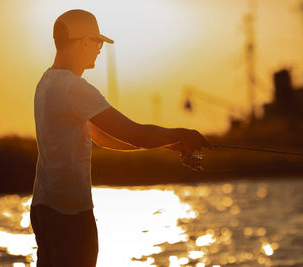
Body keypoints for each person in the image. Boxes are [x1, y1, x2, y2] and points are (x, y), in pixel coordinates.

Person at [30, 9, 211, 267]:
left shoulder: (46, 82)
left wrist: (170, 143)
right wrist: (185, 134)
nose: (100, 48)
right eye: (98, 41)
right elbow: (134, 133)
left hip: (44, 209)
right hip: (70, 214)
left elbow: (101, 137)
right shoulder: (74, 88)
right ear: (84, 42)